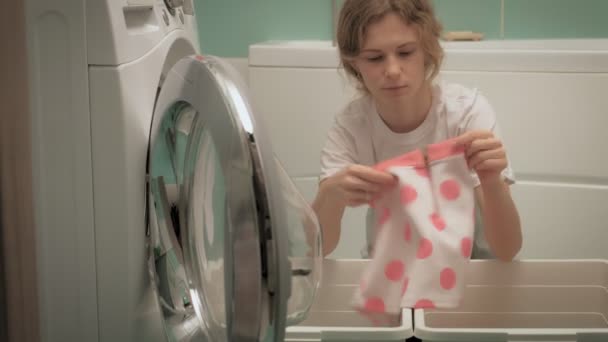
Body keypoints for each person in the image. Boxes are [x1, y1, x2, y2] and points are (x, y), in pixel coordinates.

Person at [311, 0, 522, 261]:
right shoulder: (351, 126)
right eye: (375, 58)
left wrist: (492, 183)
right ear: (354, 64)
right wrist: (331, 193)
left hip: (472, 270)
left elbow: (508, 249)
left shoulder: (466, 113)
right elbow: (318, 249)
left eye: (406, 52)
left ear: (428, 51)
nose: (392, 70)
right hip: (389, 272)